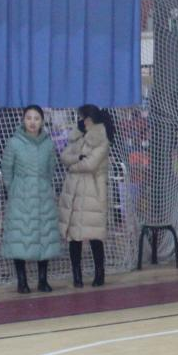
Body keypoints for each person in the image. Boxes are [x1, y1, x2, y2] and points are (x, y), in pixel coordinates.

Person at [0, 105, 60, 295]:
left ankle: (43, 280)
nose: (32, 122)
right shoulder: (14, 143)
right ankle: (22, 281)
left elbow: (50, 169)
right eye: (29, 118)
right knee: (19, 238)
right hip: (20, 196)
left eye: (36, 118)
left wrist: (43, 185)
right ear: (23, 120)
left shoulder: (48, 144)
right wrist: (15, 189)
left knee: (44, 237)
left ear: (42, 121)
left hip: (43, 195)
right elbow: (7, 170)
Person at [60, 104, 112, 288]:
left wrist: (72, 165)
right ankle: (77, 275)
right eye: (81, 118)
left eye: (85, 118)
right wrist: (77, 159)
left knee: (95, 236)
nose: (83, 121)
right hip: (75, 193)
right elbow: (64, 156)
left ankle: (100, 273)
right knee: (74, 237)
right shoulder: (77, 137)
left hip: (93, 194)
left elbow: (90, 164)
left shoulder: (102, 140)